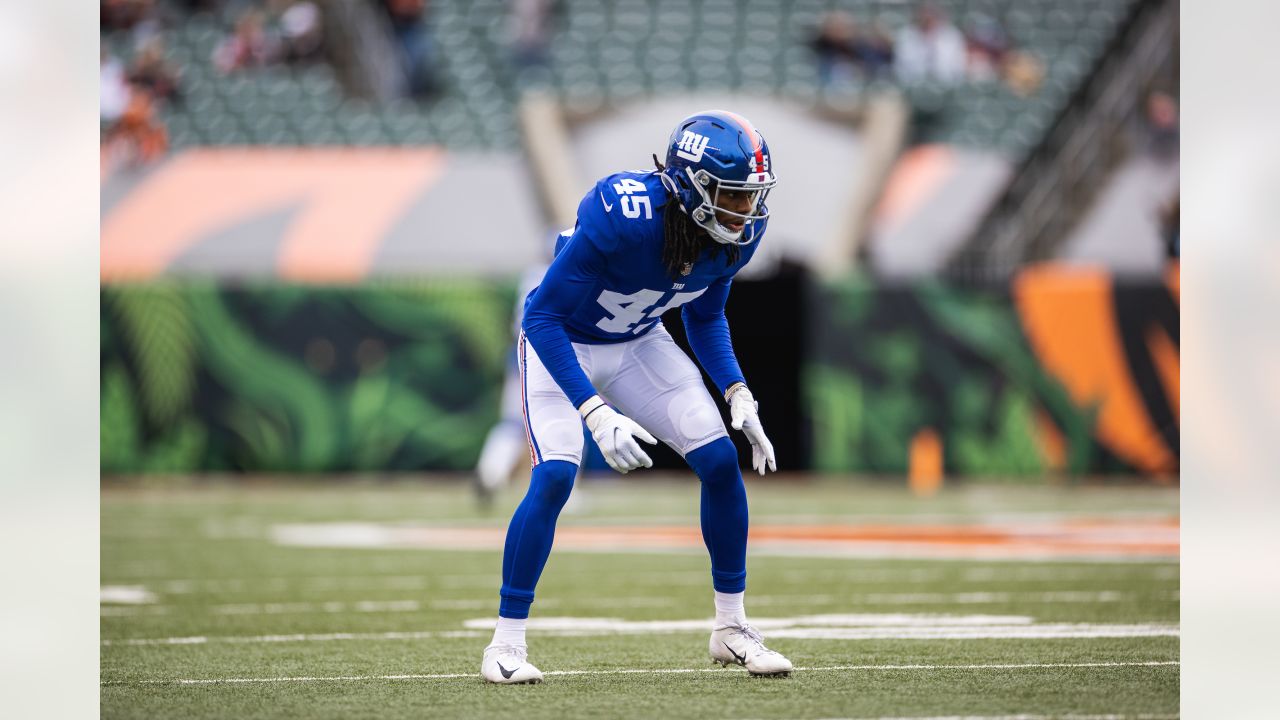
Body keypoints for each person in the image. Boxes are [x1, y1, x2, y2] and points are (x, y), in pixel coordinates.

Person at [480, 110, 792, 684]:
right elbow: (541, 315)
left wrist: (738, 390)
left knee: (721, 461)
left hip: (637, 341)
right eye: (733, 195)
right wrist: (594, 411)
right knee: (554, 476)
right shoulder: (623, 215)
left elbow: (705, 318)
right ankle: (506, 643)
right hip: (563, 339)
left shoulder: (734, 239)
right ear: (690, 186)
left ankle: (731, 628)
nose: (746, 210)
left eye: (751, 196)